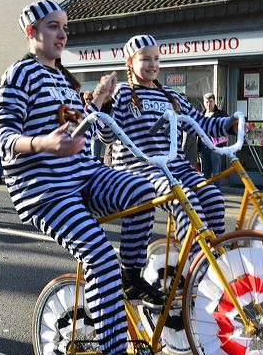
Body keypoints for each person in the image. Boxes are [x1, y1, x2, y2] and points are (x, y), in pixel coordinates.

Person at [0, 0, 170, 355]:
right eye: (53, 26)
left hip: (85, 176)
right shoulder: (19, 74)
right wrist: (41, 143)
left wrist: (97, 103)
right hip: (44, 190)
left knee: (145, 192)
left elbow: (77, 127)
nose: (62, 33)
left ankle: (129, 275)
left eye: (64, 27)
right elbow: (0, 134)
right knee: (97, 254)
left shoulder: (64, 79)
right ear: (32, 32)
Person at [98, 35, 233, 257]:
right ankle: (199, 266)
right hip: (140, 170)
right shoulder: (122, 93)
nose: (153, 64)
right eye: (146, 59)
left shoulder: (169, 94)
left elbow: (200, 123)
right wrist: (104, 105)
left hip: (176, 167)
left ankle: (216, 258)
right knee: (185, 201)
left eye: (156, 59)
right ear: (130, 62)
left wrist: (229, 124)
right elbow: (106, 135)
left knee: (214, 197)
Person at [199, 92, 228, 186]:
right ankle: (206, 193)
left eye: (211, 102)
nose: (209, 104)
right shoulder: (201, 115)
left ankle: (217, 192)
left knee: (216, 172)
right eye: (207, 102)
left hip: (216, 147)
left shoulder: (221, 114)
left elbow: (227, 128)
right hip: (203, 147)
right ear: (204, 102)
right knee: (205, 173)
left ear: (214, 102)